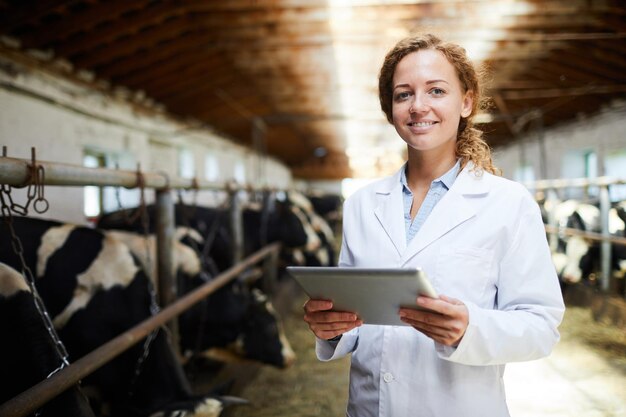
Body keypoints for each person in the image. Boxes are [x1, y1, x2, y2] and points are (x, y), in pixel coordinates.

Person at [303, 33, 565, 417]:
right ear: (390, 109)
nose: (418, 106)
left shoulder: (508, 204)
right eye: (403, 94)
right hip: (369, 407)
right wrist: (333, 325)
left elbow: (541, 327)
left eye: (436, 91)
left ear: (467, 101)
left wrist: (470, 328)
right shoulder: (362, 204)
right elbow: (357, 312)